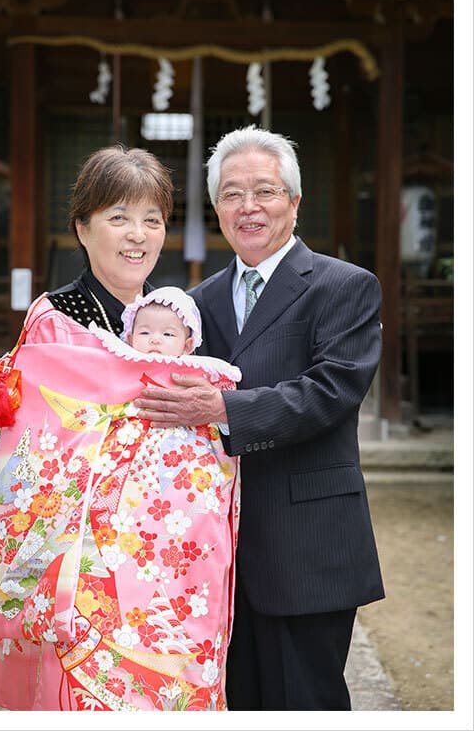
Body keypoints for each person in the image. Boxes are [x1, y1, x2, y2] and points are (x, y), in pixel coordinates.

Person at [0, 146, 242, 711]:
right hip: (83, 563)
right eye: (118, 218)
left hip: (171, 557)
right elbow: (37, 453)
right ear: (82, 229)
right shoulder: (55, 319)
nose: (137, 235)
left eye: (152, 220)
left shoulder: (172, 325)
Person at [134, 125, 385, 710]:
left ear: (294, 202)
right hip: (214, 549)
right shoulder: (200, 301)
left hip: (307, 540)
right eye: (231, 193)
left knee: (306, 701)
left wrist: (225, 409)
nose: (248, 207)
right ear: (216, 207)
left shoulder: (344, 285)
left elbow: (333, 389)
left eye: (265, 192)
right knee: (232, 701)